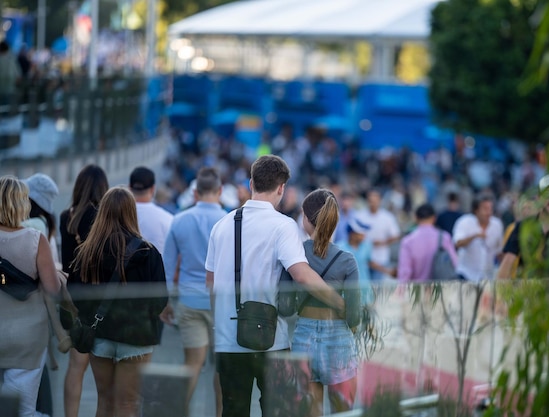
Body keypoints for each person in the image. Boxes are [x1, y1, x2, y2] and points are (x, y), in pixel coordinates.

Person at [205, 154, 345, 417]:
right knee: (277, 410)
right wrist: (340, 302)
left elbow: (211, 284)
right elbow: (301, 274)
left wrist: (222, 323)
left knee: (233, 411)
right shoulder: (283, 226)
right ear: (281, 188)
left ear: (251, 183)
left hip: (227, 339)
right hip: (270, 339)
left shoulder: (221, 226)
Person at [69, 187, 168, 417]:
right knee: (127, 405)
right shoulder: (148, 253)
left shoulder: (86, 252)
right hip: (136, 337)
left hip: (99, 336)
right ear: (131, 213)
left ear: (102, 213)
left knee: (104, 401)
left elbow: (75, 295)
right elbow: (160, 300)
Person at [160, 167, 226, 417]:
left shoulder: (179, 220)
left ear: (195, 192)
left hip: (188, 301)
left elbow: (167, 265)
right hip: (221, 304)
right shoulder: (229, 220)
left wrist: (165, 302)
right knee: (221, 369)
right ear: (220, 191)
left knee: (192, 366)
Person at [293, 188, 361, 415]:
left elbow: (284, 308)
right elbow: (354, 316)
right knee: (342, 409)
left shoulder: (296, 254)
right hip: (339, 338)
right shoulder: (348, 260)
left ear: (306, 219)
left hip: (305, 336)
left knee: (311, 407)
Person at [0, 175, 61, 417]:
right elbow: (53, 289)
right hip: (27, 338)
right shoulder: (37, 240)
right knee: (23, 410)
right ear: (23, 204)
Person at [59, 164, 109, 417]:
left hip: (76, 297)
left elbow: (66, 263)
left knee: (76, 367)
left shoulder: (66, 217)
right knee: (103, 374)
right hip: (101, 300)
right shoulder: (105, 217)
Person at [497, 174, 549, 279]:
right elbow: (507, 263)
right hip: (529, 289)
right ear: (538, 198)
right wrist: (500, 292)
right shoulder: (523, 227)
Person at [397, 203, 458, 283]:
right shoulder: (444, 237)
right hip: (440, 289)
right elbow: (454, 263)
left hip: (417, 290)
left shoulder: (408, 241)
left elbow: (405, 272)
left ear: (416, 218)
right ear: (434, 218)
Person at [452, 195, 503, 281]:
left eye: (490, 209)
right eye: (485, 209)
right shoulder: (464, 222)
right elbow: (457, 243)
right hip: (466, 274)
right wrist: (474, 236)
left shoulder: (497, 225)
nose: (488, 212)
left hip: (487, 276)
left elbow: (499, 251)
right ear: (476, 210)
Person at [128, 166, 173, 254]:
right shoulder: (168, 219)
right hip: (159, 267)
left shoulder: (117, 215)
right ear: (153, 189)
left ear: (129, 188)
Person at [359, 189, 401, 281]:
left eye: (375, 201)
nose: (373, 203)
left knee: (376, 288)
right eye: (370, 201)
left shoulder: (387, 217)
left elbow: (396, 235)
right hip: (363, 258)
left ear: (380, 201)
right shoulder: (360, 216)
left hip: (381, 258)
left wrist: (383, 242)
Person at [0, 40, 20, 107]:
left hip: (2, 80)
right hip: (10, 80)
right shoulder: (11, 57)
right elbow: (16, 70)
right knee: (7, 100)